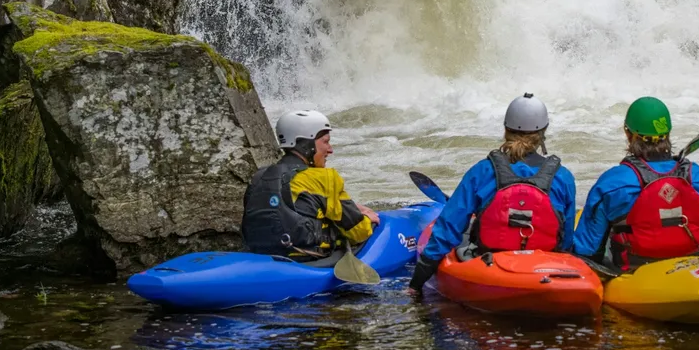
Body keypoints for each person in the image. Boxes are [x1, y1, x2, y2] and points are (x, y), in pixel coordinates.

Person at [408, 94, 578, 294]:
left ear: (506, 129)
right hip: (543, 267)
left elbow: (448, 228)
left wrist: (416, 283)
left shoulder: (482, 171)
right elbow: (565, 239)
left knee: (465, 232)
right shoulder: (563, 176)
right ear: (543, 132)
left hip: (490, 262)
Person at [573, 97, 699, 271]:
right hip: (693, 265)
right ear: (668, 134)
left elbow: (587, 250)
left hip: (634, 270)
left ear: (628, 134)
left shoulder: (612, 183)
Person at [241, 110, 380, 258]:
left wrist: (353, 207)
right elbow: (358, 232)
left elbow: (292, 205)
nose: (330, 149)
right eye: (325, 142)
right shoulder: (323, 178)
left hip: (259, 257)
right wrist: (368, 219)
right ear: (306, 144)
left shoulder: (259, 176)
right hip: (307, 259)